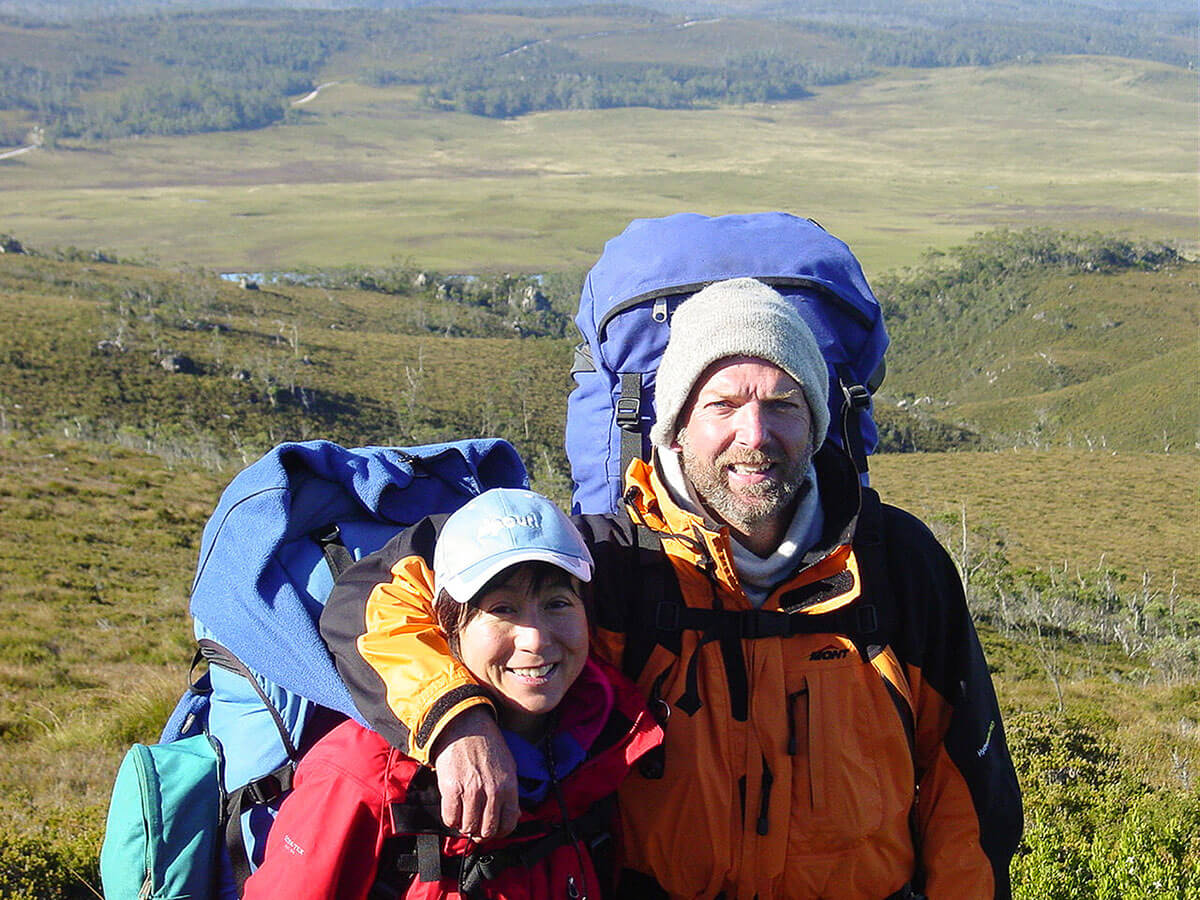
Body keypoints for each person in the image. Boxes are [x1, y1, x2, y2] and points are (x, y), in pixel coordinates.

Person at [322, 278, 1023, 899]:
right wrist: (455, 717)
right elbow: (376, 593)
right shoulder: (613, 562)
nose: (756, 434)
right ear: (678, 426)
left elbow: (968, 796)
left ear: (814, 423)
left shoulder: (895, 565)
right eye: (722, 404)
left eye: (783, 404)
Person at [245, 488, 662, 899]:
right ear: (449, 628)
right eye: (502, 609)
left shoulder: (609, 744)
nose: (535, 638)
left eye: (557, 604)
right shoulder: (361, 773)